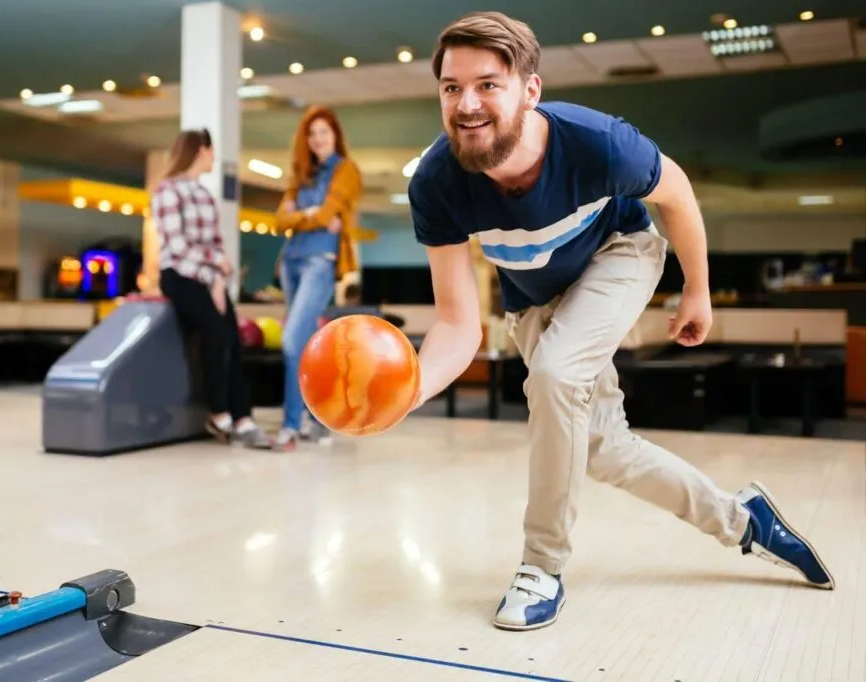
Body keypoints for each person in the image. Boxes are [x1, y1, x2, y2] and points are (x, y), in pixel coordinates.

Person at [407, 11, 835, 632]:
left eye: (488, 84)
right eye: (452, 88)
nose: (467, 104)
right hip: (534, 298)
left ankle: (541, 564)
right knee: (604, 451)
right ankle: (746, 521)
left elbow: (678, 193)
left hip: (620, 255)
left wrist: (699, 291)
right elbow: (456, 323)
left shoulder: (597, 143)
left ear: (530, 89)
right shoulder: (438, 183)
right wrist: (407, 391)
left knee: (554, 376)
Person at [150, 128, 271, 449]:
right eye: (212, 150)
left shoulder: (205, 195)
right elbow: (177, 246)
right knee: (215, 335)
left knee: (232, 337)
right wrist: (212, 275)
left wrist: (219, 277)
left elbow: (216, 244)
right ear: (201, 150)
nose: (215, 158)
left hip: (209, 279)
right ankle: (219, 414)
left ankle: (243, 418)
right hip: (180, 275)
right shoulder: (167, 191)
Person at [273, 106, 364, 450]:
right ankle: (319, 419)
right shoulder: (302, 175)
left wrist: (302, 214)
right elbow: (279, 222)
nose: (318, 139)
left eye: (324, 132)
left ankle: (291, 425)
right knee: (309, 346)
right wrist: (311, 216)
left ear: (335, 136)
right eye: (312, 134)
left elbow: (325, 213)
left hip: (320, 263)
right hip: (291, 263)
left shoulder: (346, 170)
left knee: (292, 340)